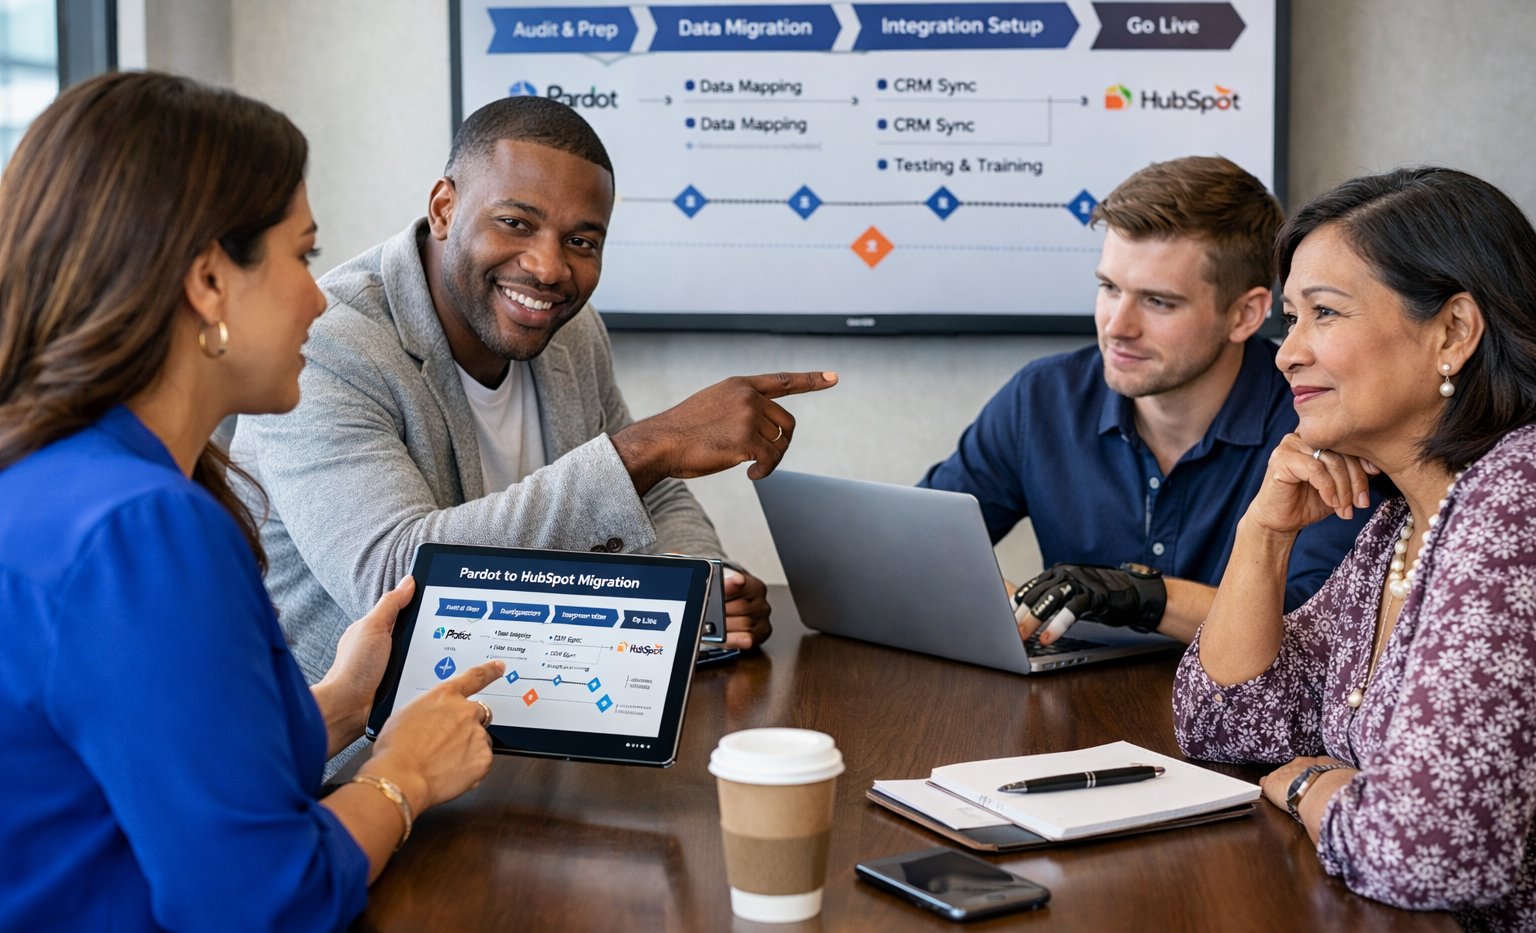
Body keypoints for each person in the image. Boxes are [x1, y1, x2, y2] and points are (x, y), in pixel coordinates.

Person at [0, 72, 505, 931]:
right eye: (301, 254)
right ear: (208, 280)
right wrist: (404, 776)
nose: (318, 294)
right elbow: (264, 899)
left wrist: (345, 697)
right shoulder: (144, 530)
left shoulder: (63, 480)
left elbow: (170, 760)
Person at [231, 97, 834, 696]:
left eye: (582, 241)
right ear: (445, 208)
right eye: (515, 223)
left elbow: (651, 492)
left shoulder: (569, 329)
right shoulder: (330, 343)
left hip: (541, 701)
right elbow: (397, 578)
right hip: (352, 750)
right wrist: (650, 445)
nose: (550, 268)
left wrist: (702, 586)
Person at [1173, 167, 1536, 930]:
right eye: (1289, 318)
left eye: (1323, 314)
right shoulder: (1403, 520)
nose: (1286, 353)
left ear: (1454, 332)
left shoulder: (1517, 499)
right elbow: (1227, 724)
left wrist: (1309, 787)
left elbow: (1432, 854)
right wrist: (1264, 534)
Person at [921, 156, 1375, 645]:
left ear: (1246, 314)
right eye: (1109, 288)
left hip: (1241, 716)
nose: (1117, 327)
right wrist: (1007, 609)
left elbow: (1320, 622)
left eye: (1158, 302)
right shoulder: (1042, 399)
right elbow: (925, 540)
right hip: (1069, 708)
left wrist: (1137, 594)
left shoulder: (1323, 417)